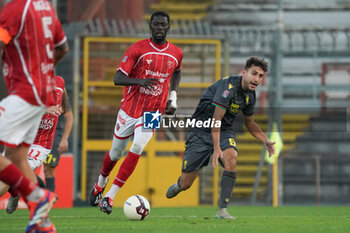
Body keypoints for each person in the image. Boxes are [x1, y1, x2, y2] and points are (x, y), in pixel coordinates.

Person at [89, 10, 183, 215]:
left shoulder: (176, 53)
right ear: (150, 26)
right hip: (130, 110)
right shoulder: (137, 49)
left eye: (163, 25)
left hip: (153, 112)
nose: (160, 28)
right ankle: (100, 183)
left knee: (139, 146)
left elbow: (177, 71)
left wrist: (172, 98)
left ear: (168, 27)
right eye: (156, 24)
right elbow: (117, 78)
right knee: (116, 153)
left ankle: (109, 196)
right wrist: (140, 81)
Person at [166, 57, 275, 219]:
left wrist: (265, 139)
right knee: (186, 183)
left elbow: (250, 123)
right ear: (244, 73)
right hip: (201, 129)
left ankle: (222, 210)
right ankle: (179, 184)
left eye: (260, 76)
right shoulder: (228, 88)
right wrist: (217, 148)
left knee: (231, 157)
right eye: (254, 74)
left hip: (224, 130)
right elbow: (215, 120)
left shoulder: (250, 96)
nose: (257, 79)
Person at [0, 0, 68, 232]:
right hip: (39, 94)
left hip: (24, 93)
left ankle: (37, 196)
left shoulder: (15, 8)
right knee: (16, 156)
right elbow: (62, 47)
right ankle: (44, 220)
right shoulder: (46, 8)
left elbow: (2, 40)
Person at [4, 75, 68, 214]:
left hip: (40, 144)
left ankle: (40, 200)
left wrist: (63, 107)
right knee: (5, 173)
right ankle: (16, 194)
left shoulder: (59, 81)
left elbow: (63, 93)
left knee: (11, 174)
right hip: (19, 138)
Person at [43, 94, 73, 192]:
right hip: (36, 132)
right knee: (26, 167)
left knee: (49, 169)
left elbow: (69, 115)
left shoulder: (59, 89)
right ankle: (44, 196)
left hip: (54, 134)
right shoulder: (35, 86)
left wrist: (64, 139)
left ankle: (49, 200)